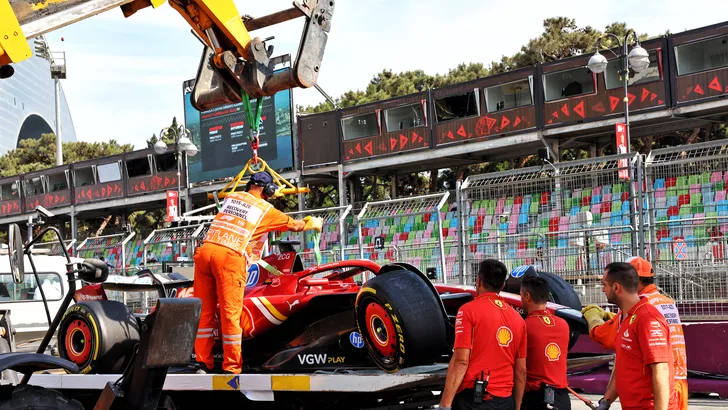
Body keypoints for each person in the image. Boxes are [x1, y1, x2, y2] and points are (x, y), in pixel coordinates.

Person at [193, 171, 322, 374]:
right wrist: (311, 223)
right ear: (267, 190)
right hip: (229, 257)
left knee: (205, 312)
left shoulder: (233, 198)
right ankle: (232, 366)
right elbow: (294, 225)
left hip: (205, 252)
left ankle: (202, 362)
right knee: (230, 315)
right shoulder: (265, 209)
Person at [583, 257, 688, 410]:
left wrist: (593, 319)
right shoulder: (652, 306)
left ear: (617, 287)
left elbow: (660, 369)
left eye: (604, 285)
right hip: (677, 382)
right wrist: (606, 401)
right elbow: (623, 364)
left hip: (656, 400)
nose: (602, 289)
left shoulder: (646, 317)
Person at [437, 259, 527, 410]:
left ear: (478, 280)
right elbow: (521, 370)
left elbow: (461, 361)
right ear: (502, 286)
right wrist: (517, 406)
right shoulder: (518, 319)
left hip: (475, 399)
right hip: (505, 400)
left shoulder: (467, 311)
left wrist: (444, 404)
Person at [520, 276, 571, 410]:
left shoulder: (524, 326)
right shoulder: (563, 325)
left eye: (521, 296)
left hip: (536, 397)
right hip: (562, 397)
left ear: (527, 296)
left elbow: (520, 370)